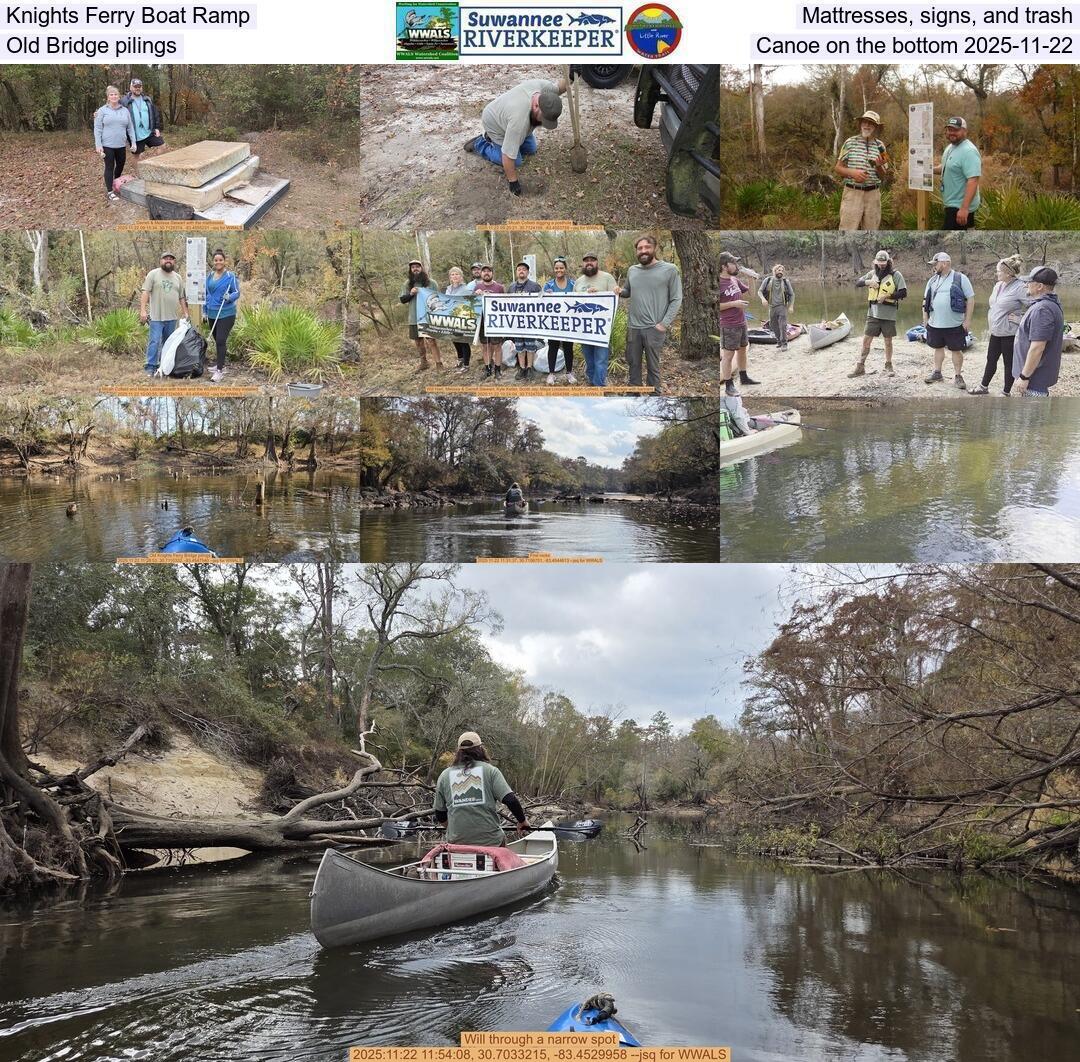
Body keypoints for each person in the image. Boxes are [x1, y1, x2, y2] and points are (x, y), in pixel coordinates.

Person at [464, 77, 567, 196]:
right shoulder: (519, 120)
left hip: (508, 116)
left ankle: (509, 139)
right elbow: (508, 155)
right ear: (536, 106)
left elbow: (560, 88)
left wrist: (572, 75)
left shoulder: (544, 90)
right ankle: (480, 144)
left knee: (531, 149)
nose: (544, 124)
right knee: (516, 161)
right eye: (544, 119)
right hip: (494, 123)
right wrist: (513, 182)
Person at [433, 732, 530, 846]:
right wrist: (522, 821)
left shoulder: (444, 775)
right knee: (501, 841)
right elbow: (510, 800)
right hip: (491, 842)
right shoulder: (491, 771)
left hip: (456, 843)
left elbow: (439, 813)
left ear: (458, 751)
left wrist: (455, 830)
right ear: (480, 749)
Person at [616, 235, 682, 394]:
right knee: (633, 364)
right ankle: (634, 393)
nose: (643, 251)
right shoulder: (632, 270)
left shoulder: (669, 269)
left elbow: (676, 298)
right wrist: (619, 291)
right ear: (636, 251)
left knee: (653, 366)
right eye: (640, 248)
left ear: (655, 248)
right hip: (633, 327)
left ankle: (654, 394)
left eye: (647, 247)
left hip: (654, 328)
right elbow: (628, 292)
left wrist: (663, 324)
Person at [971, 255, 1029, 395]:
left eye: (999, 271)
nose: (997, 273)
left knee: (1008, 363)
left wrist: (1019, 318)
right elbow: (995, 306)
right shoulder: (998, 285)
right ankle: (983, 387)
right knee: (991, 359)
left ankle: (1006, 392)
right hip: (996, 331)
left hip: (1010, 333)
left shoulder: (1020, 287)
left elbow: (1034, 307)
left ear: (1008, 273)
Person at [849, 249, 906, 378]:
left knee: (888, 342)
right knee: (866, 341)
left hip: (888, 315)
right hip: (873, 314)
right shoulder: (871, 274)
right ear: (875, 262)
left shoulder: (896, 275)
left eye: (884, 262)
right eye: (879, 262)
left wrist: (887, 296)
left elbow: (903, 293)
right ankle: (860, 366)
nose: (881, 265)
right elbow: (858, 283)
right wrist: (868, 282)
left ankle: (888, 366)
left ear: (888, 262)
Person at [923, 252, 975, 389]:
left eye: (936, 264)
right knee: (937, 348)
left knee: (956, 350)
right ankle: (937, 372)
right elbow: (925, 301)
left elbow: (970, 299)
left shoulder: (960, 278)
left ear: (944, 263)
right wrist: (925, 319)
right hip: (935, 323)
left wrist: (967, 321)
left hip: (955, 324)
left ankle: (958, 376)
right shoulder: (932, 280)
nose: (934, 267)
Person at [1012, 267, 1065, 398]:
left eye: (1029, 282)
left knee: (1031, 417)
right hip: (1035, 379)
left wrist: (1024, 377)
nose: (1026, 285)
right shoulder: (1050, 304)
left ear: (1040, 286)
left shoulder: (1042, 309)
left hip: (1034, 382)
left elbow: (1037, 348)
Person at [835, 110, 888, 231]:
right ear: (860, 124)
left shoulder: (881, 147)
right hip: (852, 193)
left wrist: (879, 166)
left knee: (871, 233)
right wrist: (852, 173)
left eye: (871, 123)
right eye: (865, 122)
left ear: (876, 127)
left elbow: (883, 176)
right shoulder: (849, 143)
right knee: (847, 232)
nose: (867, 125)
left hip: (873, 195)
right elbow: (837, 167)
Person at [141, 252, 188, 375]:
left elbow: (182, 297)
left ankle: (164, 367)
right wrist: (143, 310)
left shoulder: (178, 277)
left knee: (168, 343)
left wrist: (186, 313)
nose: (168, 261)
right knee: (154, 341)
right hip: (156, 317)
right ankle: (150, 367)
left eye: (171, 259)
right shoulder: (153, 274)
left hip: (172, 318)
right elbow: (145, 292)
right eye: (166, 259)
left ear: (174, 262)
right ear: (160, 261)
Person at [574, 251, 617, 386]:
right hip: (584, 328)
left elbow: (614, 299)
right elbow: (573, 302)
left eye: (592, 260)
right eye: (586, 260)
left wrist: (599, 295)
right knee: (589, 359)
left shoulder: (607, 277)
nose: (589, 263)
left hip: (601, 328)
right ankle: (592, 381)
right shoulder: (578, 281)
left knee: (601, 359)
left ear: (597, 262)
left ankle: (599, 385)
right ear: (583, 263)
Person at [715, 251, 752, 396]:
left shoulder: (734, 280)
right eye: (733, 263)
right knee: (728, 356)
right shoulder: (718, 283)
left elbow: (752, 294)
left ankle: (744, 377)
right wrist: (734, 303)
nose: (736, 266)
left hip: (742, 322)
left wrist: (752, 279)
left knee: (743, 350)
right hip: (728, 325)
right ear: (724, 266)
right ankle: (729, 385)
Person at [93, 85, 138, 203]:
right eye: (111, 94)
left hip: (121, 145)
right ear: (108, 97)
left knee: (120, 165)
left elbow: (130, 128)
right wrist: (98, 145)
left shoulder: (125, 110)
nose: (113, 96)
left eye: (115, 94)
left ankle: (115, 182)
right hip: (107, 145)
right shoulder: (102, 111)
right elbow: (97, 128)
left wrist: (133, 142)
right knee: (109, 167)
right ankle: (110, 192)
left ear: (119, 96)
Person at [936, 117, 981, 230]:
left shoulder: (969, 151)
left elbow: (973, 180)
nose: (952, 133)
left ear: (964, 131)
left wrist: (964, 209)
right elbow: (946, 167)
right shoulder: (950, 147)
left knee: (946, 244)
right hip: (951, 205)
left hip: (959, 207)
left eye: (956, 130)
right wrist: (928, 169)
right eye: (949, 129)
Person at [204, 249, 241, 384]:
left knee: (220, 340)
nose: (218, 262)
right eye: (216, 260)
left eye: (220, 260)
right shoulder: (209, 276)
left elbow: (236, 292)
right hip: (212, 313)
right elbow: (206, 295)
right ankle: (221, 364)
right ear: (213, 262)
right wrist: (204, 311)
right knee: (217, 339)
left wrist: (230, 297)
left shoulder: (230, 276)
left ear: (224, 261)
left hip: (226, 313)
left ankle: (219, 371)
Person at [400, 259, 443, 372]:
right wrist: (411, 294)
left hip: (428, 317)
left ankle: (439, 363)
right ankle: (424, 362)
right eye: (413, 267)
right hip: (414, 317)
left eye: (417, 266)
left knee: (432, 340)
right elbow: (402, 300)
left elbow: (439, 299)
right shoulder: (407, 284)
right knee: (418, 342)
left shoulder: (431, 283)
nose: (415, 269)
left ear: (422, 268)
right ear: (410, 269)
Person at [543, 256, 577, 385]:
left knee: (569, 347)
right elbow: (539, 299)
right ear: (554, 269)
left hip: (569, 322)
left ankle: (569, 372)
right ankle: (551, 374)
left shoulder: (573, 284)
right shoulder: (549, 284)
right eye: (556, 268)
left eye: (561, 267)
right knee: (553, 347)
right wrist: (546, 294)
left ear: (565, 269)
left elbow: (581, 296)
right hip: (553, 323)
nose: (559, 270)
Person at [507, 261, 542, 381]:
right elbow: (506, 305)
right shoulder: (511, 287)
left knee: (530, 346)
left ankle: (529, 368)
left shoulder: (535, 286)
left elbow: (542, 303)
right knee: (519, 346)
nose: (521, 271)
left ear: (527, 272)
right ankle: (522, 368)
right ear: (517, 272)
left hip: (530, 322)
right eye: (519, 269)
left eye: (524, 269)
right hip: (516, 323)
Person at [473, 264, 506, 380]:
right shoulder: (477, 287)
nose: (486, 273)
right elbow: (473, 304)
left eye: (489, 271)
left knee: (497, 346)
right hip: (482, 321)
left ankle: (498, 369)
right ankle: (488, 369)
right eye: (484, 271)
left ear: (492, 273)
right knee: (485, 346)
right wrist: (475, 294)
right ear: (481, 274)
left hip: (495, 322)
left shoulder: (499, 287)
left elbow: (506, 304)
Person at [444, 266, 476, 373]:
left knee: (463, 341)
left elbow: (472, 302)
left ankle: (466, 365)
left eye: (457, 274)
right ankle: (460, 359)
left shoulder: (466, 289)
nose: (454, 276)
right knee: (454, 339)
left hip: (463, 318)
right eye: (452, 274)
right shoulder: (448, 289)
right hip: (451, 318)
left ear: (461, 276)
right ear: (450, 277)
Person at [120, 78, 165, 155]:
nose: (137, 88)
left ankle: (154, 164)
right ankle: (136, 167)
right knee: (137, 157)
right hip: (135, 135)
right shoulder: (124, 101)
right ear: (131, 87)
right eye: (135, 86)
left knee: (162, 146)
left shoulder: (147, 99)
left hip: (149, 132)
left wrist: (157, 128)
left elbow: (155, 114)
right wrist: (99, 113)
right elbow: (113, 109)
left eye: (139, 86)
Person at [758, 264, 794, 352]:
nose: (780, 272)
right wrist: (763, 299)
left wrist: (791, 306)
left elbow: (792, 294)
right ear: (774, 271)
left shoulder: (786, 282)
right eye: (779, 270)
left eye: (782, 271)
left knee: (783, 325)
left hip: (782, 306)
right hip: (772, 307)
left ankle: (784, 343)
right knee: (773, 325)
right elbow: (760, 291)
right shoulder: (768, 280)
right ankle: (779, 341)